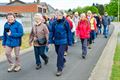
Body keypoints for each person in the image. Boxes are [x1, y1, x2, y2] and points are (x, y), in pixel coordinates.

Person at [49, 11, 72, 76]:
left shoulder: (65, 22)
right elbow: (52, 32)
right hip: (56, 41)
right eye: (56, 15)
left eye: (59, 15)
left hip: (63, 41)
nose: (57, 16)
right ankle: (63, 60)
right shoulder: (54, 23)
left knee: (60, 54)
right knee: (57, 52)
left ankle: (59, 69)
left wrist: (69, 41)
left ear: (62, 15)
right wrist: (50, 40)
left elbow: (69, 32)